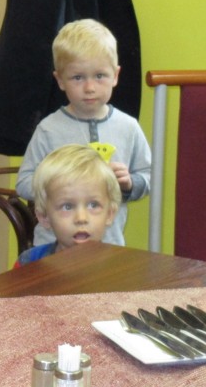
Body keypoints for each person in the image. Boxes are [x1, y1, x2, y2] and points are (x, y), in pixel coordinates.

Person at [15, 18, 150, 248]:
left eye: (99, 76)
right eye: (78, 77)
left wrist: (129, 184)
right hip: (53, 248)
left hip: (109, 246)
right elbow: (24, 183)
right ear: (60, 80)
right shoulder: (49, 129)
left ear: (115, 75)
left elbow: (147, 177)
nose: (89, 88)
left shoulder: (129, 127)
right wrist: (59, 182)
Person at [15, 144, 121, 266]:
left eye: (93, 205)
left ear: (109, 214)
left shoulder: (122, 267)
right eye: (67, 207)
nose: (81, 218)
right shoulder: (29, 262)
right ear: (44, 217)